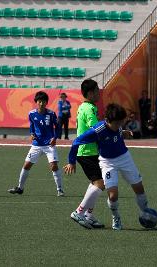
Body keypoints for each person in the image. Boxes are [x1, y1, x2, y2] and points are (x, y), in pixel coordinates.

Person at [64, 103, 152, 230]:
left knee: (139, 188)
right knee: (113, 195)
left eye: (121, 123)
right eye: (116, 124)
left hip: (125, 158)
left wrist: (123, 131)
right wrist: (71, 161)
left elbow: (116, 130)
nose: (118, 126)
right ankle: (116, 217)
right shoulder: (97, 130)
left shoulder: (117, 126)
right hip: (107, 163)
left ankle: (146, 212)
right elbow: (76, 141)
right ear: (107, 121)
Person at [8, 91, 64, 197]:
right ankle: (20, 188)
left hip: (49, 145)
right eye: (39, 101)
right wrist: (32, 133)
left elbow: (58, 127)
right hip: (36, 144)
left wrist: (55, 138)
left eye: (43, 101)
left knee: (54, 165)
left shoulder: (51, 114)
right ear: (36, 102)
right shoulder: (31, 114)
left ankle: (60, 189)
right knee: (27, 165)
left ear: (46, 102)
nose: (41, 103)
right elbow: (32, 125)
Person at [69, 79, 105, 229]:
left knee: (97, 183)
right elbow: (95, 127)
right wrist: (114, 129)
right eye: (97, 90)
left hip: (88, 151)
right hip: (87, 151)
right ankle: (79, 212)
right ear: (90, 93)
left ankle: (88, 215)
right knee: (100, 184)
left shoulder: (85, 106)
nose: (99, 93)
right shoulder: (89, 108)